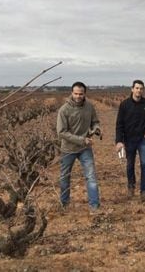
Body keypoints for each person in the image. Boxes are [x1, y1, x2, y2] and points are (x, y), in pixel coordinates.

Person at [57, 81, 102, 214]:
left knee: (91, 176)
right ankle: (64, 204)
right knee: (65, 177)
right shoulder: (64, 110)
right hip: (68, 149)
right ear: (72, 93)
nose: (78, 96)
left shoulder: (89, 107)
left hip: (84, 149)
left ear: (84, 94)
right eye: (75, 93)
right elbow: (61, 132)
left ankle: (94, 206)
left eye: (80, 94)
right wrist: (82, 140)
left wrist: (97, 129)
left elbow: (95, 122)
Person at [115, 80, 145, 201]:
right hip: (129, 140)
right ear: (132, 89)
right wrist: (119, 141)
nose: (139, 90)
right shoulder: (124, 105)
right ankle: (131, 187)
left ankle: (144, 191)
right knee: (130, 164)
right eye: (137, 88)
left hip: (143, 140)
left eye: (141, 88)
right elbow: (119, 124)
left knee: (144, 164)